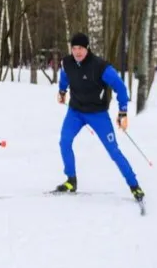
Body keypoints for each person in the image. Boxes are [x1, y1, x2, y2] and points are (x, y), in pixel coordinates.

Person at [55, 32, 143, 202]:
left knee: (113, 151)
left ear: (87, 48)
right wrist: (62, 90)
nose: (77, 52)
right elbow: (65, 77)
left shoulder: (101, 67)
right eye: (74, 48)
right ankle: (71, 180)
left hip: (98, 115)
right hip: (75, 112)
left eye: (80, 48)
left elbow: (121, 88)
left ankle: (134, 186)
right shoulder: (67, 63)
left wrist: (123, 112)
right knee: (64, 141)